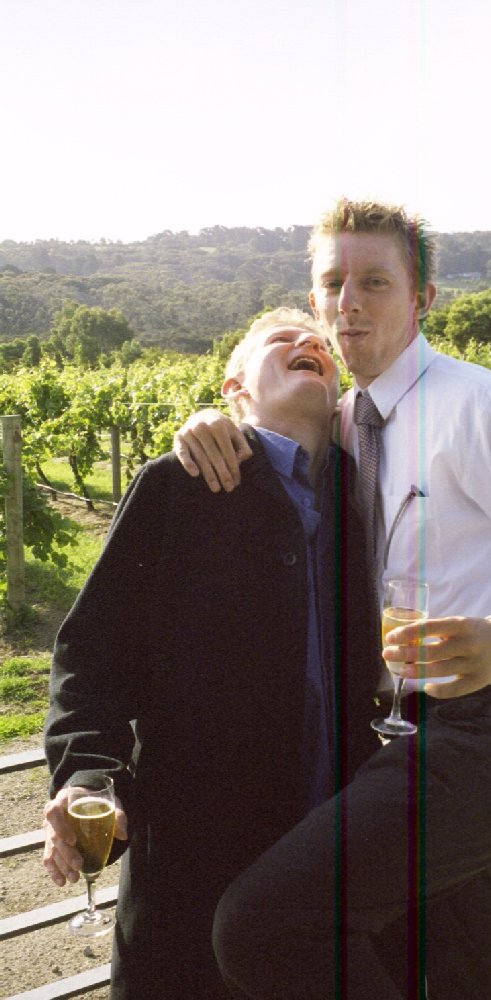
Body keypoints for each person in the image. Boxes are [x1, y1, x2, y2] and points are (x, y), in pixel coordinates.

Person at [172, 199, 491, 999]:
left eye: (375, 282)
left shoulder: (482, 405)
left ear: (422, 298)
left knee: (262, 925)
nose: (349, 303)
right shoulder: (345, 421)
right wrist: (205, 420)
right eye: (333, 284)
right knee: (452, 971)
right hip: (401, 729)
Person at [42, 308, 382, 999]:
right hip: (199, 852)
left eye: (318, 342)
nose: (308, 340)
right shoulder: (181, 484)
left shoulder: (371, 493)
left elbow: (445, 606)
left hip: (333, 847)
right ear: (235, 388)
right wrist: (85, 773)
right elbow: (93, 653)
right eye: (280, 340)